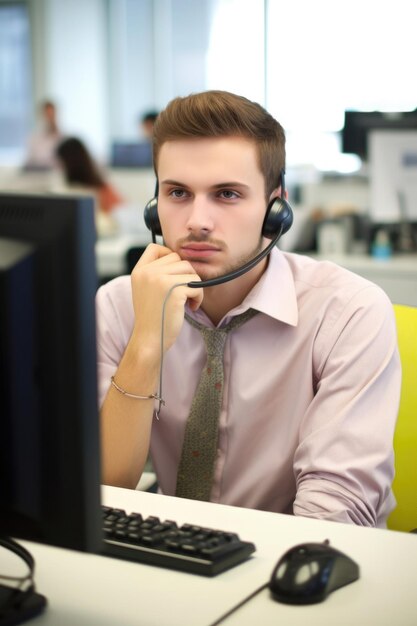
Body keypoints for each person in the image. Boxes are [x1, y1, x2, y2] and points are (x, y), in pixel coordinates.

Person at [96, 90, 401, 527]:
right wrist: (145, 344)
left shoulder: (348, 312)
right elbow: (106, 494)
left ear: (275, 208)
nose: (197, 220)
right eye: (178, 192)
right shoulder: (118, 305)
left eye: (227, 194)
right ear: (154, 207)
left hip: (292, 566)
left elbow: (333, 518)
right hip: (171, 553)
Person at [55, 137, 123, 235]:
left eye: (61, 163)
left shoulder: (101, 188)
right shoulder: (62, 190)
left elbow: (123, 213)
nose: (59, 168)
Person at [24, 99, 63, 170]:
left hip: (55, 174)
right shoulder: (34, 138)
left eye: (52, 115)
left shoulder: (62, 138)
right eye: (47, 115)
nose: (49, 118)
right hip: (38, 174)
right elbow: (31, 159)